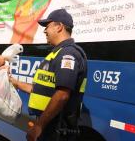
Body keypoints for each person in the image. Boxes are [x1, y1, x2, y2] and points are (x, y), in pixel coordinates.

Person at [9, 9, 88, 141]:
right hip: (50, 127)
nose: (44, 31)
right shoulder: (56, 53)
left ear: (59, 27)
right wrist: (14, 82)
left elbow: (62, 95)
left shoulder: (67, 55)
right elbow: (42, 90)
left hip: (57, 131)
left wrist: (39, 126)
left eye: (47, 26)